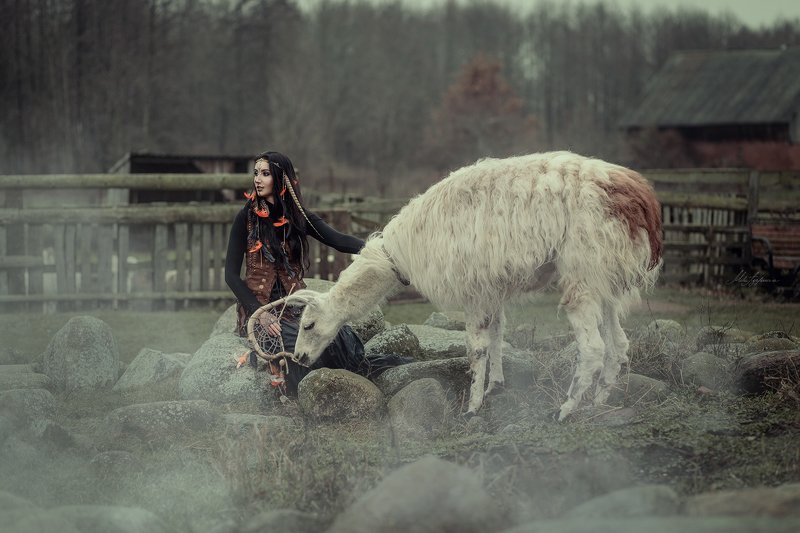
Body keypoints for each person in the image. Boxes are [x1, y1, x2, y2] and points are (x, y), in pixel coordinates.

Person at [225, 150, 407, 394]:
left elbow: (338, 240)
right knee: (296, 348)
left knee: (338, 337)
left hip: (295, 302)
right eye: (256, 173)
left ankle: (360, 383)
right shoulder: (245, 219)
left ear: (282, 179)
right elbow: (230, 275)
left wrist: (385, 250)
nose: (258, 179)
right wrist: (259, 314)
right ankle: (315, 394)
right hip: (263, 308)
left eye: (265, 174)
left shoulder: (297, 217)